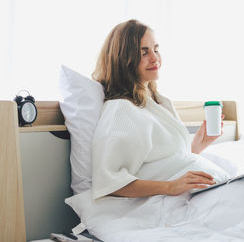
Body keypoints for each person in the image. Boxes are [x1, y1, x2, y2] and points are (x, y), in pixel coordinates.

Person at [91, 19, 230, 199]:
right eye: (144, 52)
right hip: (168, 203)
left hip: (196, 194)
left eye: (156, 49)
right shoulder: (121, 110)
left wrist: (197, 145)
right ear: (124, 59)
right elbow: (109, 183)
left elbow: (162, 163)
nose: (155, 58)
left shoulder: (156, 102)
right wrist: (169, 187)